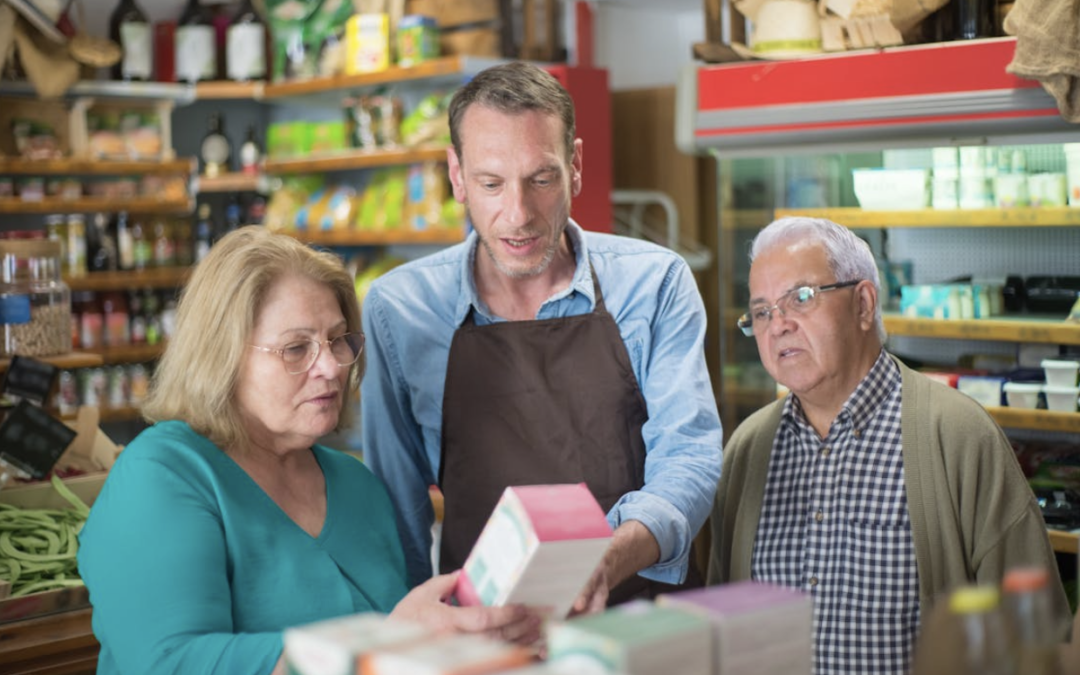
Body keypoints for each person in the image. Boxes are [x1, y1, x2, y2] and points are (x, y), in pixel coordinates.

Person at [77, 227, 540, 675]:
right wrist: (387, 642)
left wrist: (470, 639)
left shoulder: (357, 486)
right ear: (221, 356)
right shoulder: (163, 473)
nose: (331, 367)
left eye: (338, 340)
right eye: (297, 348)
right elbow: (170, 663)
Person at [360, 61, 723, 606]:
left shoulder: (655, 283)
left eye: (541, 179)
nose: (519, 214)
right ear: (457, 175)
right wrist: (421, 630)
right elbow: (395, 505)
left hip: (638, 616)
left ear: (575, 166)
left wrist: (605, 561)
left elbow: (688, 458)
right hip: (483, 628)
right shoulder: (400, 310)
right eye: (491, 184)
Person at [707, 215, 1070, 674]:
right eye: (761, 312)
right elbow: (721, 627)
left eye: (801, 298)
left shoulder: (958, 436)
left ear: (863, 304)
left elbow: (1035, 641)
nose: (777, 325)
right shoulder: (746, 451)